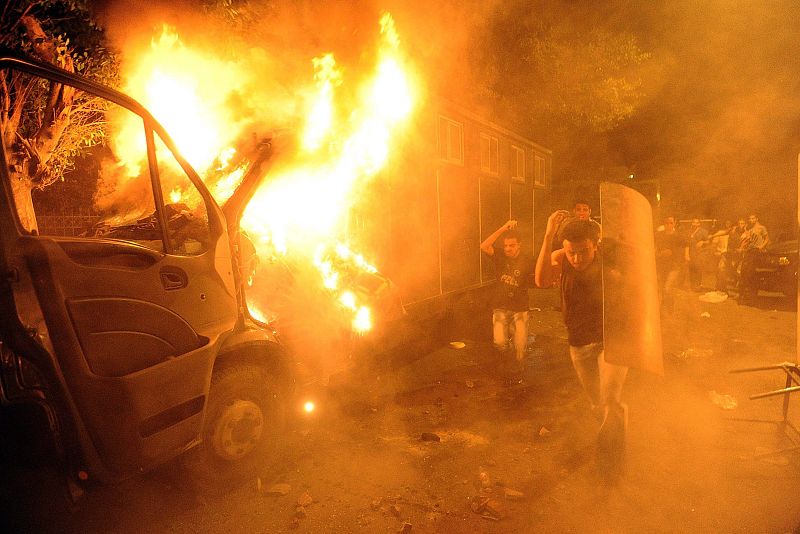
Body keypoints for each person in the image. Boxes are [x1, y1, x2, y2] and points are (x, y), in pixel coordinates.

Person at [535, 210, 628, 474]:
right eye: (571, 251)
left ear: (594, 245)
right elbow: (541, 281)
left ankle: (613, 462)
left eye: (583, 251)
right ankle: (610, 436)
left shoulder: (609, 259)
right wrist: (548, 235)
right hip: (578, 343)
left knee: (611, 399)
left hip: (611, 339)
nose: (577, 258)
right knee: (598, 404)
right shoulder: (561, 259)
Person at [480, 220, 536, 370]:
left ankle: (518, 371)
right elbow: (484, 246)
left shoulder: (527, 260)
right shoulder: (499, 255)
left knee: (520, 348)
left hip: (520, 308)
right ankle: (507, 359)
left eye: (512, 245)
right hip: (500, 306)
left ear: (519, 245)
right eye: (505, 245)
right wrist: (503, 228)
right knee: (499, 342)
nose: (507, 249)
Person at [654, 216, 687, 312]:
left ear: (674, 224)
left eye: (671, 223)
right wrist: (660, 254)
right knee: (661, 288)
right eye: (667, 223)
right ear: (664, 224)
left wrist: (685, 256)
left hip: (674, 266)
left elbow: (685, 245)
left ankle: (669, 307)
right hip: (661, 266)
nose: (669, 225)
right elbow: (654, 247)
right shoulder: (659, 235)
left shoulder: (678, 236)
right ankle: (663, 308)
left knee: (667, 288)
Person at [738, 214, 770, 304]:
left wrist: (761, 246)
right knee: (744, 273)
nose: (751, 220)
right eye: (750, 219)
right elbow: (747, 241)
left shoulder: (762, 228)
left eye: (753, 218)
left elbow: (767, 239)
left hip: (757, 252)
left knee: (752, 273)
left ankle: (751, 297)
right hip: (749, 252)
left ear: (757, 218)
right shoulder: (750, 230)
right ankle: (744, 296)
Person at [686, 218, 710, 291]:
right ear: (691, 223)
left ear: (699, 224)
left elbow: (708, 241)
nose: (695, 224)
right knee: (691, 269)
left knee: (698, 269)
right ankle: (692, 286)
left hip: (700, 253)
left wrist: (702, 242)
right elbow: (687, 243)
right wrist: (687, 254)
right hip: (691, 252)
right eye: (693, 222)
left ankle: (698, 285)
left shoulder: (703, 231)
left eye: (696, 223)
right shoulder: (689, 231)